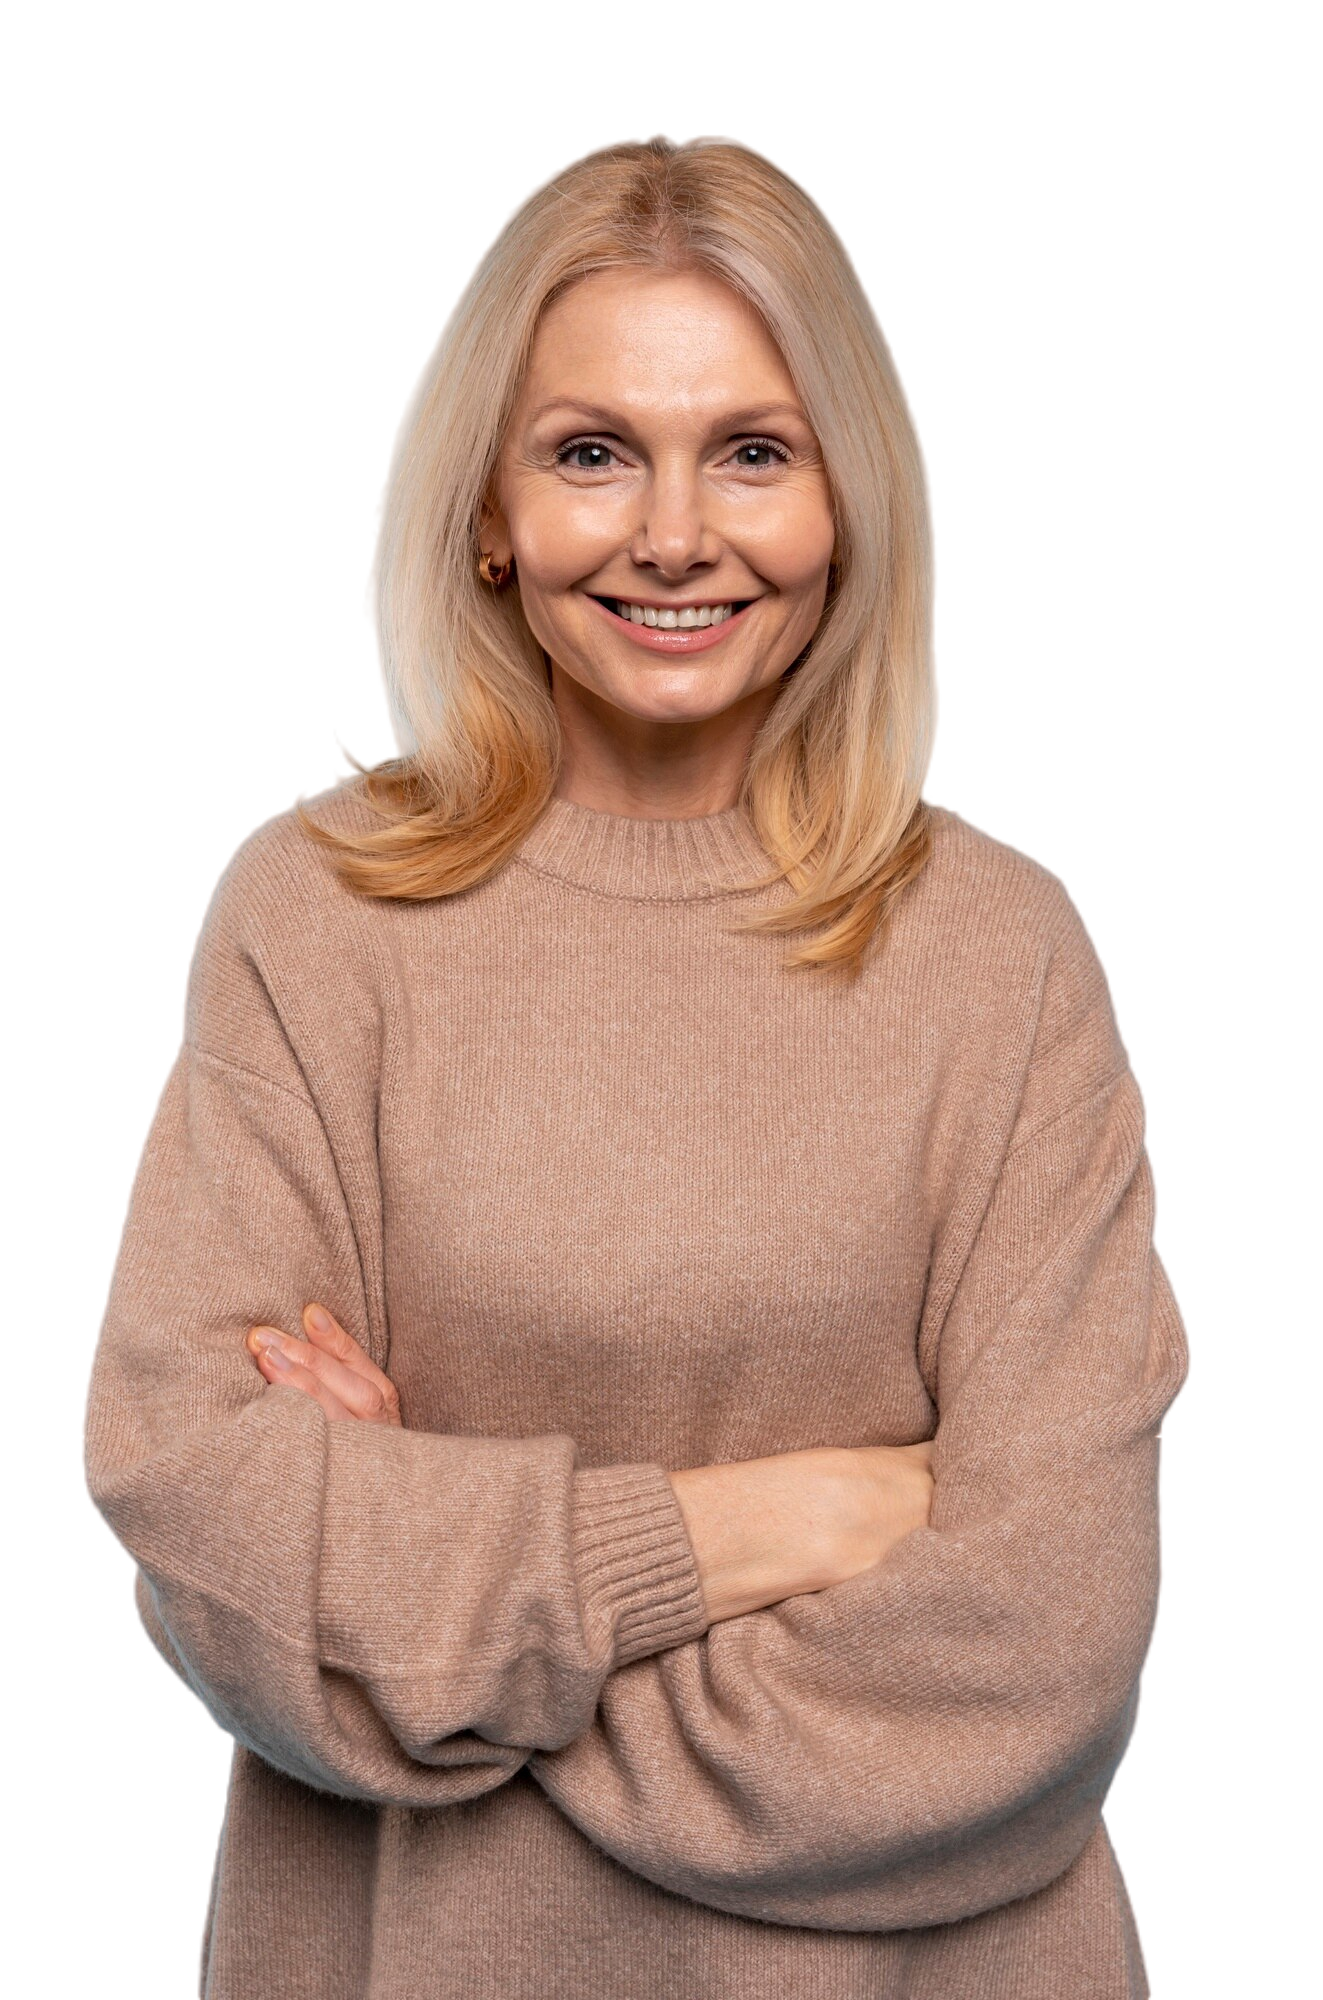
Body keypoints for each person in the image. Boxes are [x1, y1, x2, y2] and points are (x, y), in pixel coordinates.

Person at [53, 96, 1225, 2000]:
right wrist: (753, 1526)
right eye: (594, 452)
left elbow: (1042, 1639)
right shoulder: (318, 924)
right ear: (493, 519)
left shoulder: (999, 957)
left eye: (753, 451)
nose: (675, 535)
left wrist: (438, 1624)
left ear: (847, 503)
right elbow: (200, 1512)